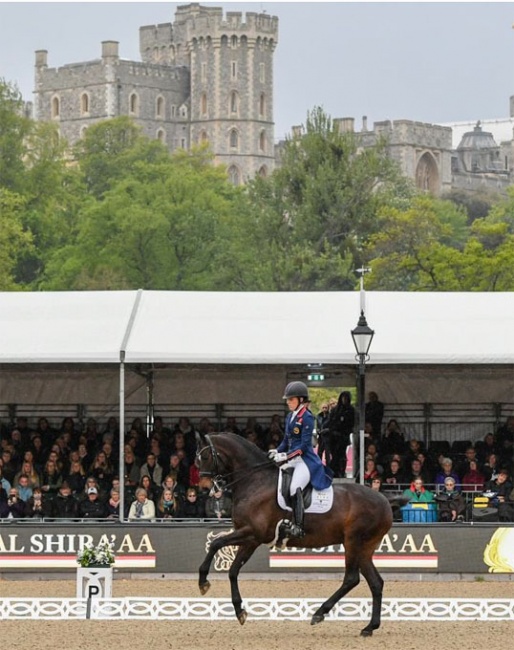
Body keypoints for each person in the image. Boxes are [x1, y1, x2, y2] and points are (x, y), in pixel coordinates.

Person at [268, 381, 333, 538]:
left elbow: (304, 446)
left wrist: (285, 456)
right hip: (292, 459)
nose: (288, 402)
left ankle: (298, 526)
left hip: (305, 461)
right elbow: (286, 440)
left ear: (301, 400)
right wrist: (277, 450)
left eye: (291, 399)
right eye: (288, 400)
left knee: (294, 487)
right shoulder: (290, 416)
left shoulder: (308, 417)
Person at [325, 390, 355, 478]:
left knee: (341, 455)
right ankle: (334, 471)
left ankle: (341, 471)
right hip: (333, 436)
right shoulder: (336, 409)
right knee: (334, 454)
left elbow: (350, 424)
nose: (344, 400)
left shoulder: (350, 410)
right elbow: (330, 421)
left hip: (343, 436)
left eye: (346, 398)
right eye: (343, 398)